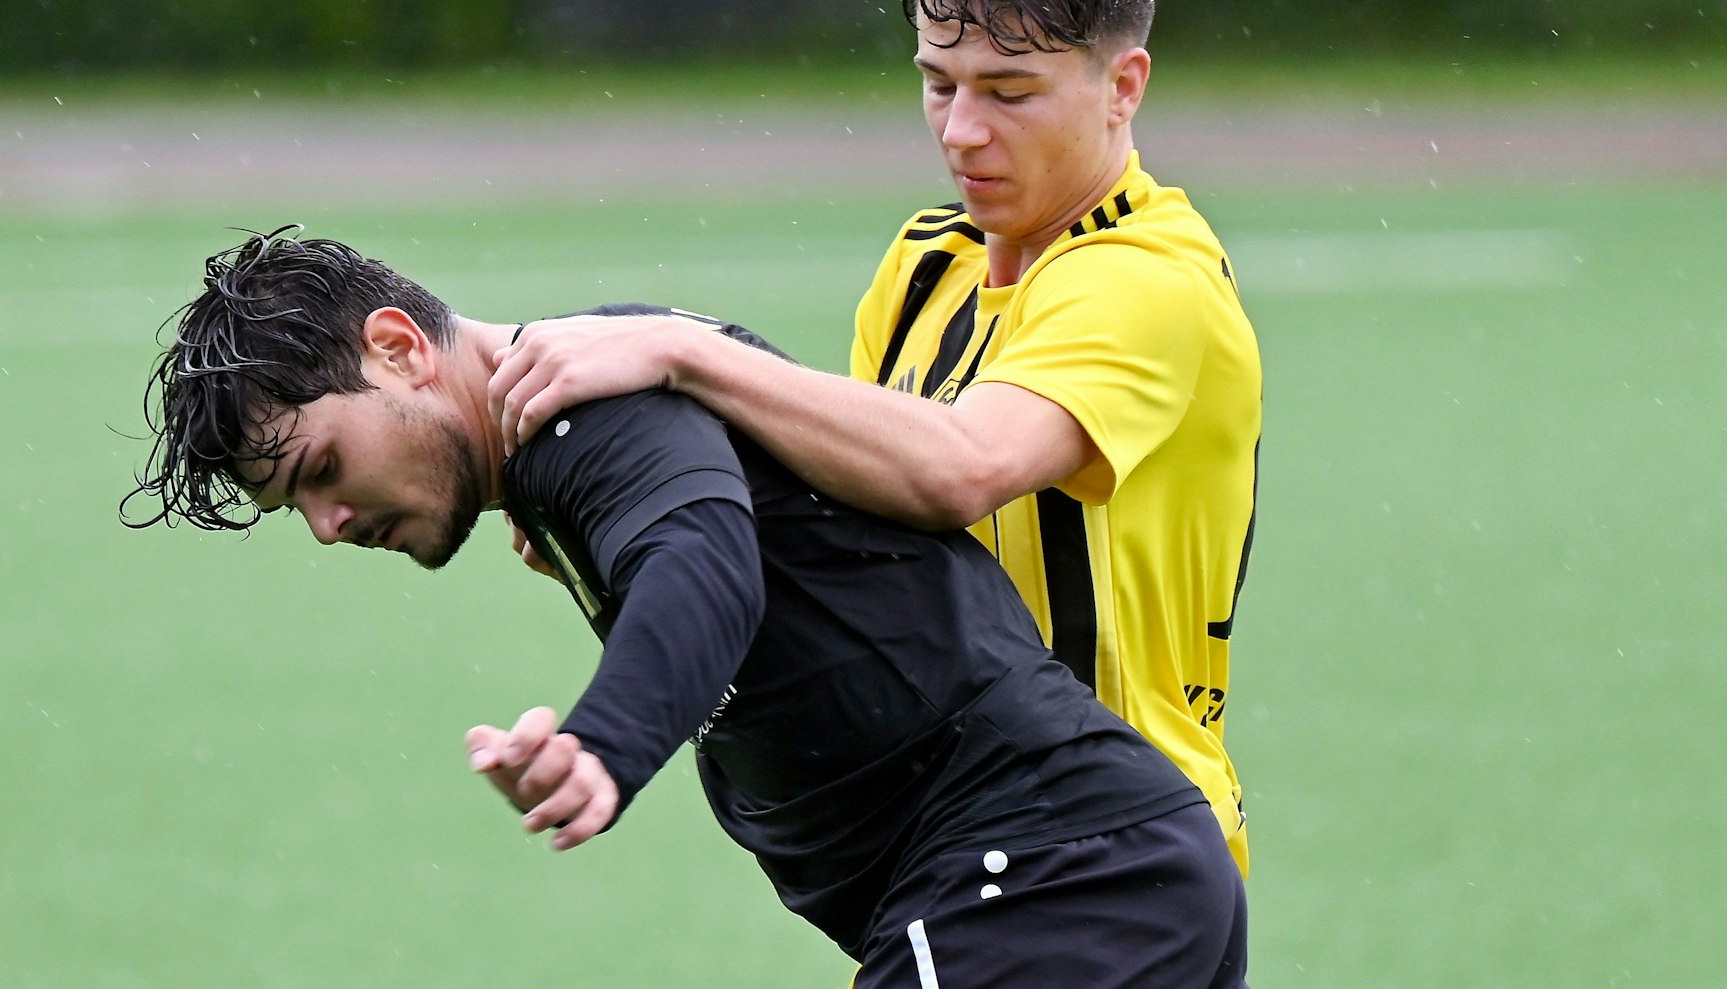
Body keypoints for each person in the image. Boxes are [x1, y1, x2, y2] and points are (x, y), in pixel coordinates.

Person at [123, 231, 1248, 988]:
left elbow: (704, 562)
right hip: (1082, 878)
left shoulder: (584, 413)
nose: (326, 524)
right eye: (292, 509)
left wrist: (603, 744)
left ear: (399, 349)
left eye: (320, 467)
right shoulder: (563, 442)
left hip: (1038, 881)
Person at [488, 0, 1263, 874]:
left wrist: (682, 352)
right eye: (938, 83)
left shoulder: (1144, 279)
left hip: (1106, 844)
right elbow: (858, 547)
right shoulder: (922, 265)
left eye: (1009, 91)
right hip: (958, 837)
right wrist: (624, 523)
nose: (960, 130)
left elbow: (959, 467)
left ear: (1123, 88)